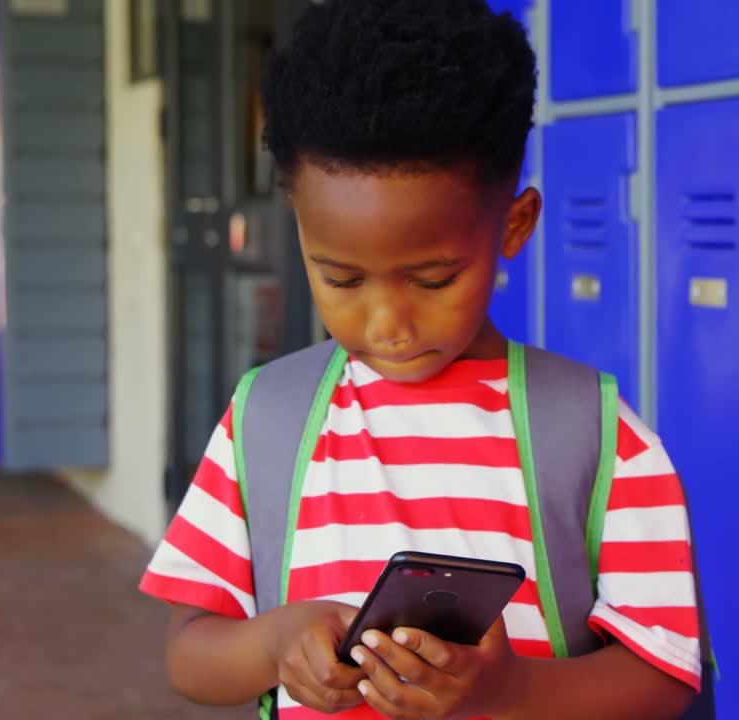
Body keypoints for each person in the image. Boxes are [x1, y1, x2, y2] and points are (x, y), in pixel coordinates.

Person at [138, 1, 703, 718]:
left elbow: (663, 676)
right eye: (341, 278)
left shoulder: (594, 435)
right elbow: (189, 652)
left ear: (515, 226)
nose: (388, 325)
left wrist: (509, 690)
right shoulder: (266, 420)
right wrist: (275, 645)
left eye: (433, 280)